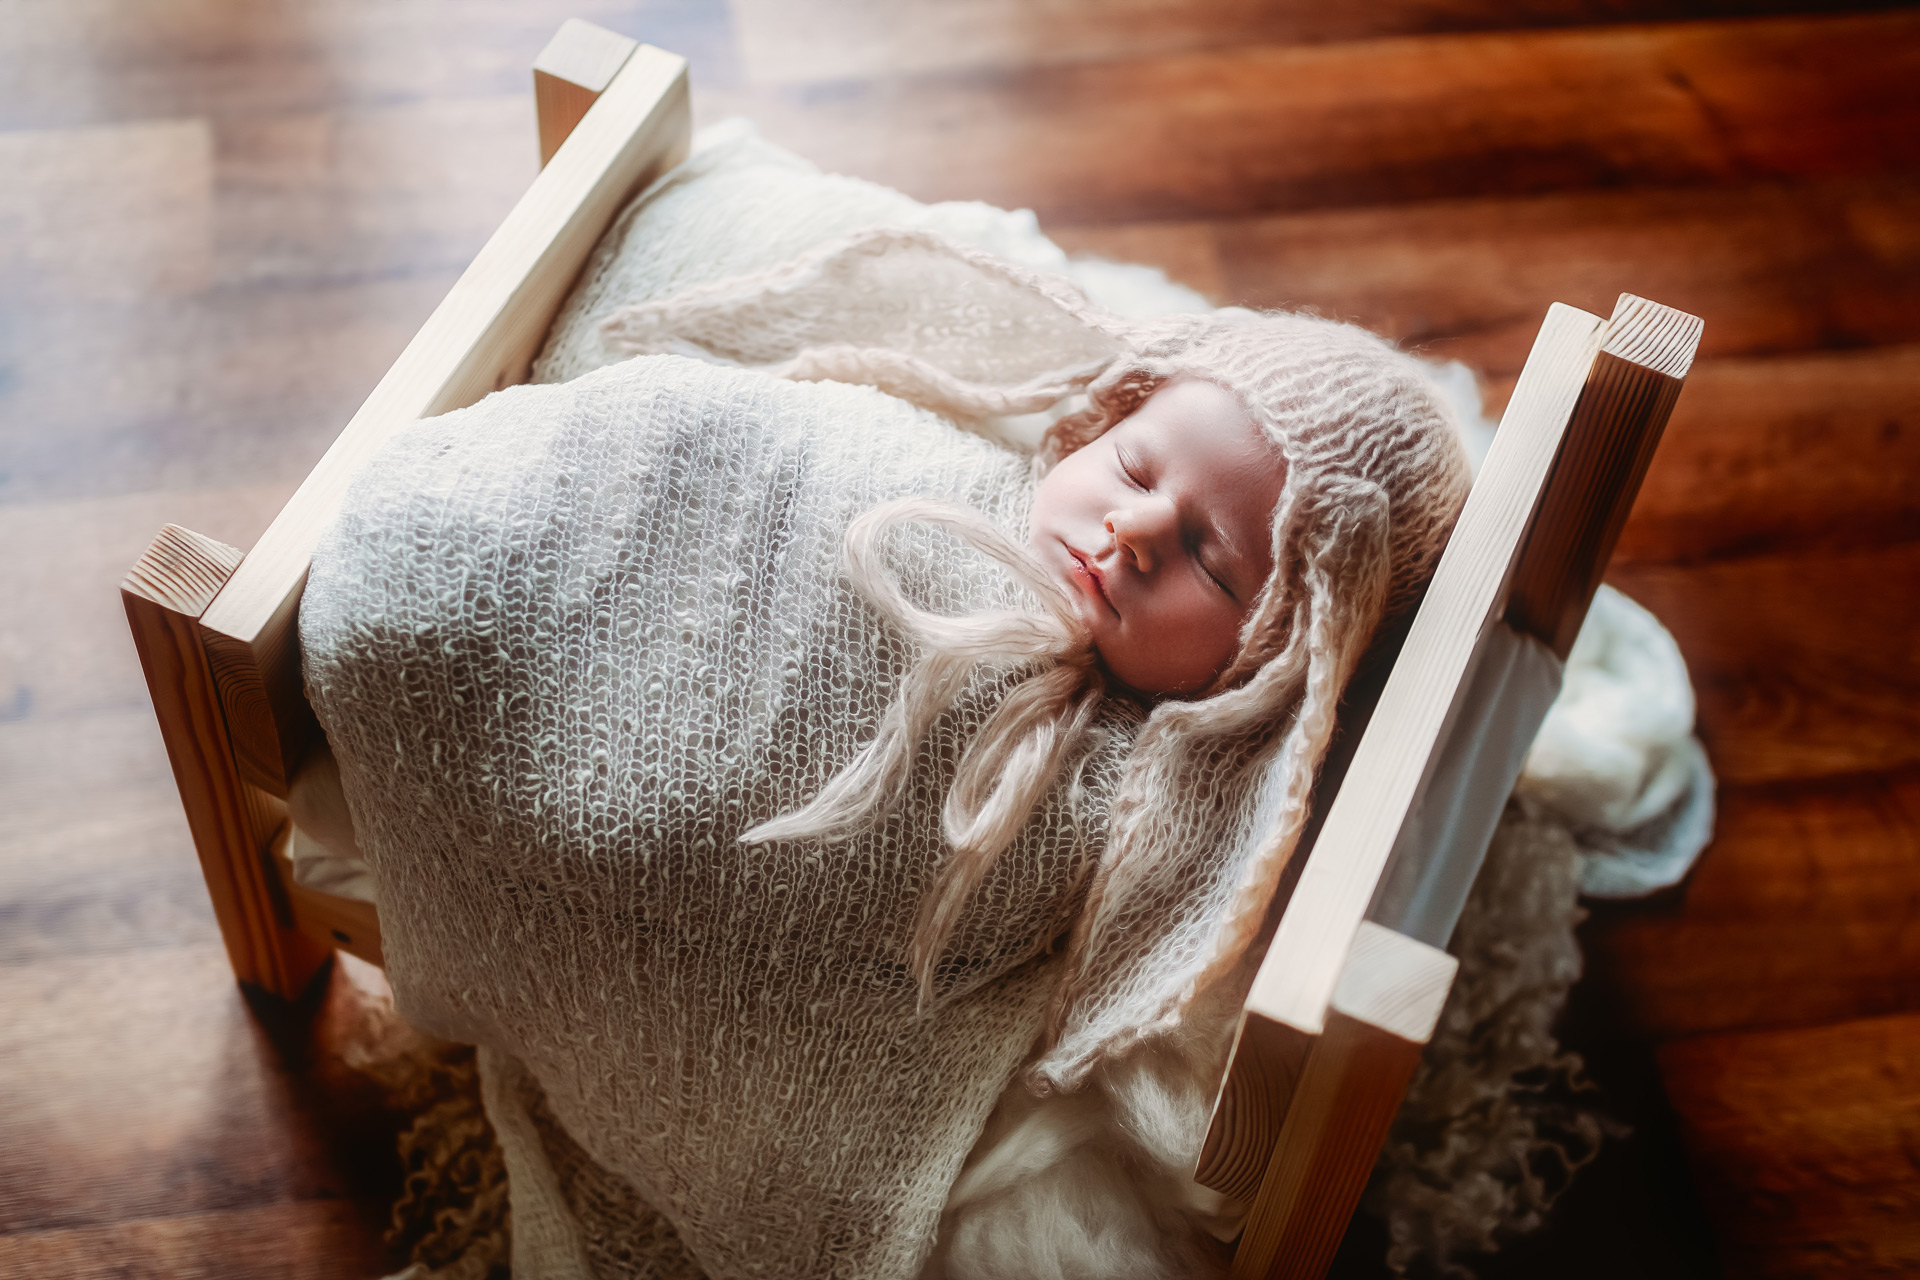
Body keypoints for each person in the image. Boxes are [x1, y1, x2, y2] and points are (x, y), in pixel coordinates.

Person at [302, 227, 1474, 1278]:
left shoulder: (1124, 790)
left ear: (1273, 665)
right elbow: (749, 441)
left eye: (1213, 563)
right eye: (1132, 466)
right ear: (1097, 418)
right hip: (580, 514)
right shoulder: (941, 455)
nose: (1132, 533)